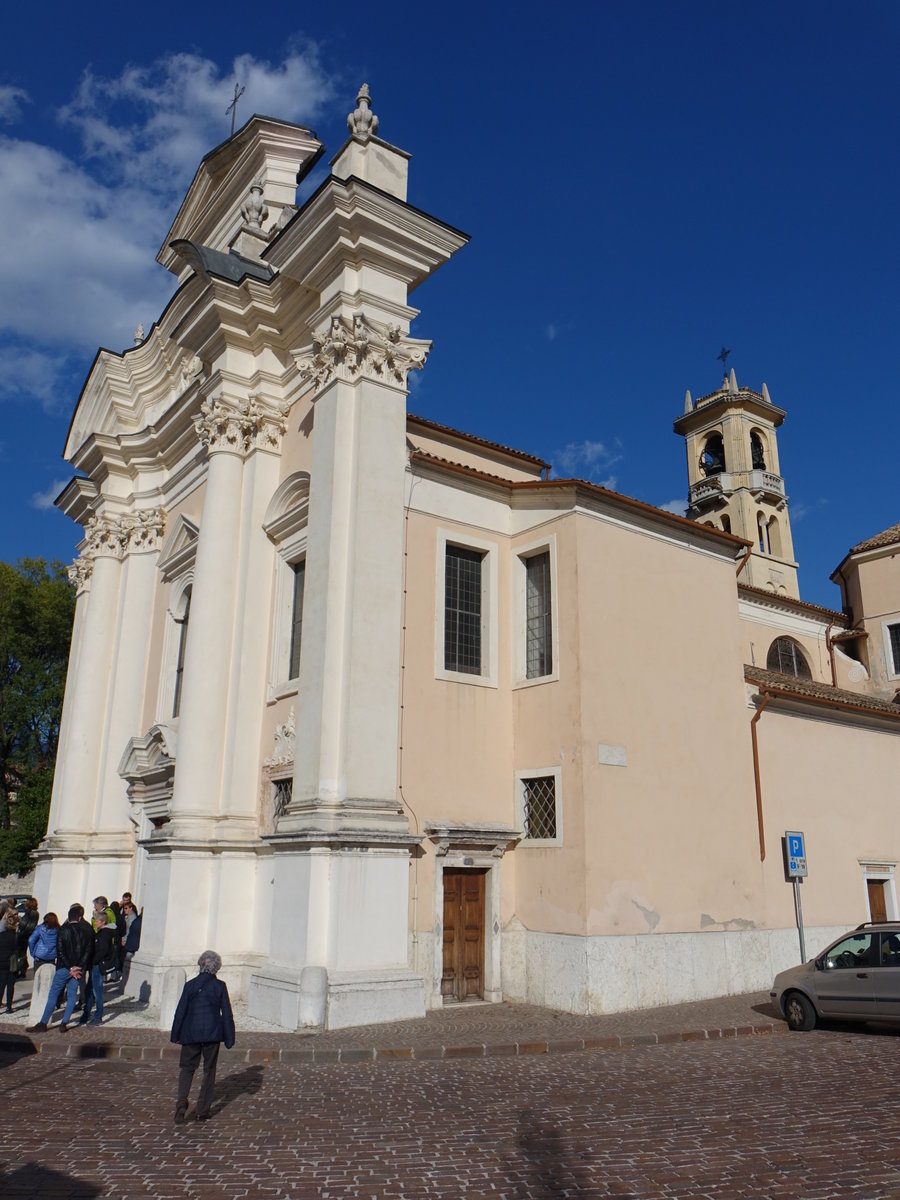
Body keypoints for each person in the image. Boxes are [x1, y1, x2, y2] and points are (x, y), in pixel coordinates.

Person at [170, 950, 235, 1124]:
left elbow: (181, 1012)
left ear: (200, 965)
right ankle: (202, 1109)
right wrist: (229, 1038)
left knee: (187, 1068)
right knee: (209, 1070)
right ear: (216, 968)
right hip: (212, 1033)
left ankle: (182, 1100)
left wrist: (175, 1034)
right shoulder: (220, 986)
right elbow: (227, 1013)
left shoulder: (190, 985)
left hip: (191, 1032)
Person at [27, 903, 93, 1033]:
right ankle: (64, 1022)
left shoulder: (63, 930)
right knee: (72, 995)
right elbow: (88, 951)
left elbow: (60, 950)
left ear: (69, 918)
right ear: (80, 918)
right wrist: (78, 967)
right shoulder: (86, 930)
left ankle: (43, 1022)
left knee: (53, 994)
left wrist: (70, 967)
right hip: (77, 968)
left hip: (64, 967)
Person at [80, 910, 116, 1025]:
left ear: (103, 922)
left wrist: (94, 960)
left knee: (97, 991)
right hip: (94, 965)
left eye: (97, 921)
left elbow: (103, 950)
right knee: (89, 990)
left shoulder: (104, 934)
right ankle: (86, 1014)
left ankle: (97, 1017)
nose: (95, 923)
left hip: (97, 965)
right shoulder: (102, 933)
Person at [0, 909, 18, 1013]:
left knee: (1, 985)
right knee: (10, 985)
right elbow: (17, 950)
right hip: (11, 962)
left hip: (1, 961)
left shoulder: (1, 936)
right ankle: (9, 1006)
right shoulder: (15, 937)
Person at [17, 898, 38, 979]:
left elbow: (25, 924)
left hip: (24, 935)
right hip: (27, 935)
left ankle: (22, 969)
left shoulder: (30, 913)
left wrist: (20, 920)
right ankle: (23, 968)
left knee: (21, 953)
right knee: (22, 953)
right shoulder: (34, 913)